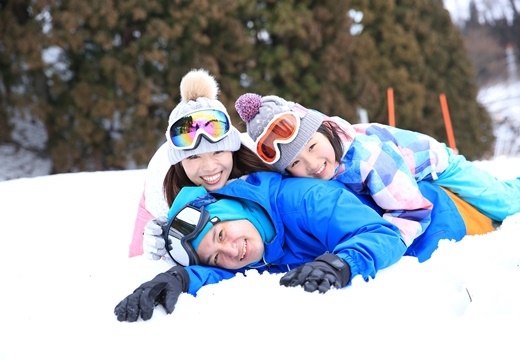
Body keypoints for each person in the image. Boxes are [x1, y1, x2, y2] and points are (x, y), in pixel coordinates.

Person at [114, 169, 494, 322]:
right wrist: (180, 278)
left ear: (226, 207)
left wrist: (340, 264)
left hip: (451, 216)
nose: (232, 251)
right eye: (217, 255)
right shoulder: (251, 235)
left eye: (220, 235)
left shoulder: (306, 199)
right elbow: (222, 270)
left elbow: (383, 234)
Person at [234, 93, 520, 244]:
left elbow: (412, 210)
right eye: (295, 163)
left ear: (326, 130)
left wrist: (384, 241)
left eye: (311, 146)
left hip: (437, 164)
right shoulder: (318, 167)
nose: (311, 165)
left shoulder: (368, 158)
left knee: (504, 202)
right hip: (399, 172)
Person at [128, 69, 273, 257]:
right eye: (193, 157)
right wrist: (156, 248)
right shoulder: (163, 183)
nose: (209, 167)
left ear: (232, 149)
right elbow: (136, 262)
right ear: (179, 162)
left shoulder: (261, 161)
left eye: (218, 151)